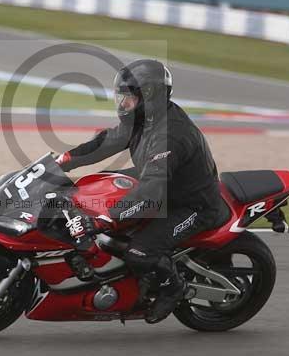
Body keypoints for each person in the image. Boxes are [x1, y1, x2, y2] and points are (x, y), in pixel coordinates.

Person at [56, 59, 225, 323]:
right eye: (120, 97)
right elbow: (108, 141)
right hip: (163, 184)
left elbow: (151, 195)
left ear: (150, 98)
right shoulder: (144, 118)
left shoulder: (170, 136)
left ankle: (173, 288)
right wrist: (65, 159)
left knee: (139, 251)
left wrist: (105, 218)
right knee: (95, 188)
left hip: (191, 205)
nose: (122, 104)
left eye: (128, 98)